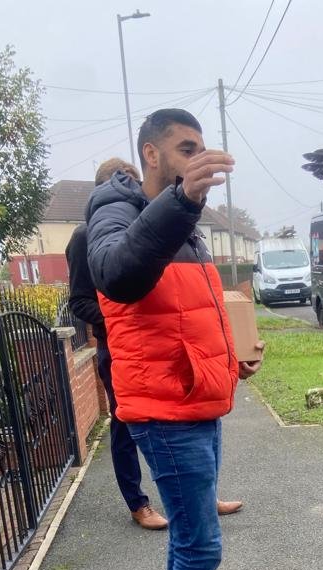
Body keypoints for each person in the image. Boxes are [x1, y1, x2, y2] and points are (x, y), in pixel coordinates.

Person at [86, 108, 264, 570]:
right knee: (200, 546)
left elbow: (188, 315)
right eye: (185, 148)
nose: (198, 159)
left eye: (202, 149)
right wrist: (183, 201)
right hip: (163, 412)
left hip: (195, 400)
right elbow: (119, 274)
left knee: (190, 541)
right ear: (151, 154)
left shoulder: (184, 224)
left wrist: (234, 358)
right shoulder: (116, 210)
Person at [67, 159, 242, 527]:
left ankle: (202, 497)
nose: (134, 188)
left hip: (160, 350)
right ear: (105, 188)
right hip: (118, 351)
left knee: (195, 425)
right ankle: (138, 503)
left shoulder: (152, 225)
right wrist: (125, 318)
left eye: (134, 181)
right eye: (125, 182)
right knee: (124, 430)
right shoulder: (88, 236)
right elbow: (80, 301)